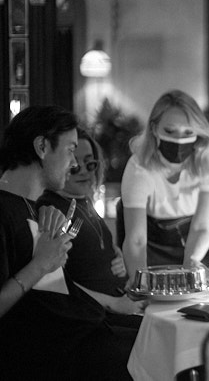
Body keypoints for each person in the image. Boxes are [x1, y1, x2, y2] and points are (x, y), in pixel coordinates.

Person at [0, 106, 136, 380]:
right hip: (55, 354)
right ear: (41, 146)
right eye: (70, 149)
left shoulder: (34, 208)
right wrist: (41, 265)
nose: (74, 163)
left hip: (84, 331)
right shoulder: (4, 211)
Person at [37, 129, 147, 328]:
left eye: (90, 163)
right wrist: (114, 304)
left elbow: (92, 254)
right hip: (94, 319)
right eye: (74, 165)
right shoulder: (52, 209)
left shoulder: (83, 203)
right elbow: (55, 282)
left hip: (120, 305)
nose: (84, 170)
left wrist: (116, 258)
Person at [121, 90, 209, 279]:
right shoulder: (139, 168)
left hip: (193, 248)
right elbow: (136, 239)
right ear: (154, 129)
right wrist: (140, 281)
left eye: (188, 132)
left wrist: (191, 264)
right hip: (147, 253)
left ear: (198, 134)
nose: (179, 140)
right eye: (170, 131)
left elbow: (201, 227)